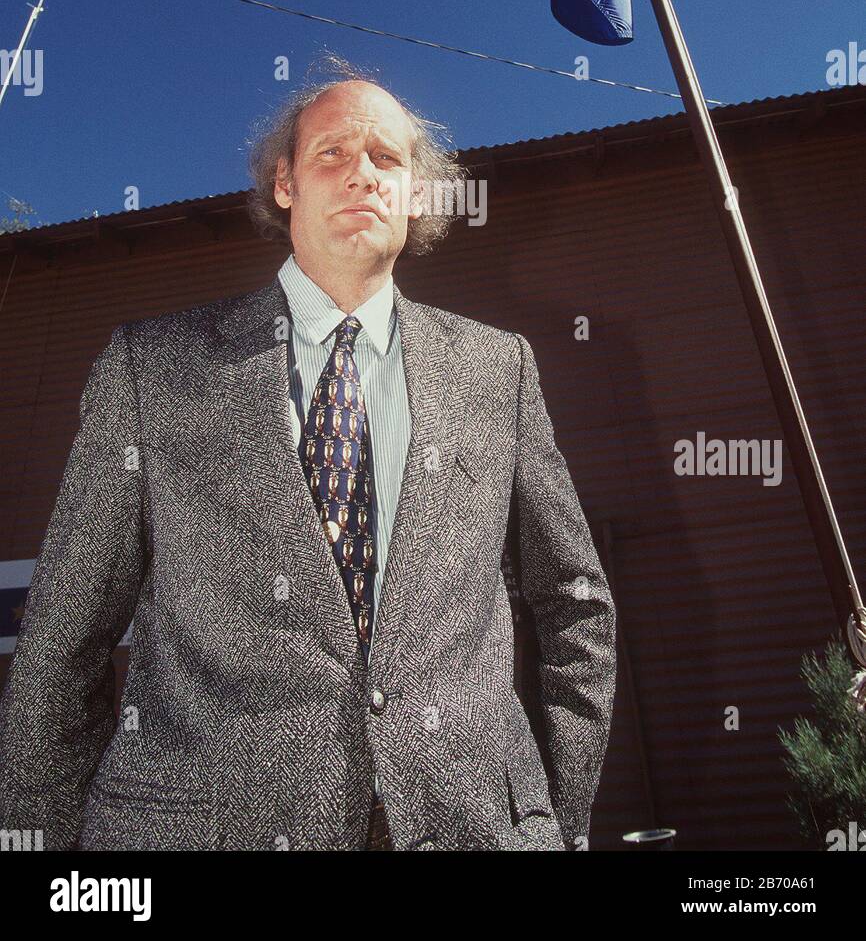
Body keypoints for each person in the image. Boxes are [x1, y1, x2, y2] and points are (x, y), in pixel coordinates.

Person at [0, 58, 616, 851]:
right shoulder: (151, 370)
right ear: (284, 183)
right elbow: (60, 643)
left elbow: (576, 605)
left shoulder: (500, 372)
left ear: (417, 196)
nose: (362, 173)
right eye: (332, 154)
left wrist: (551, 826)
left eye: (387, 159)